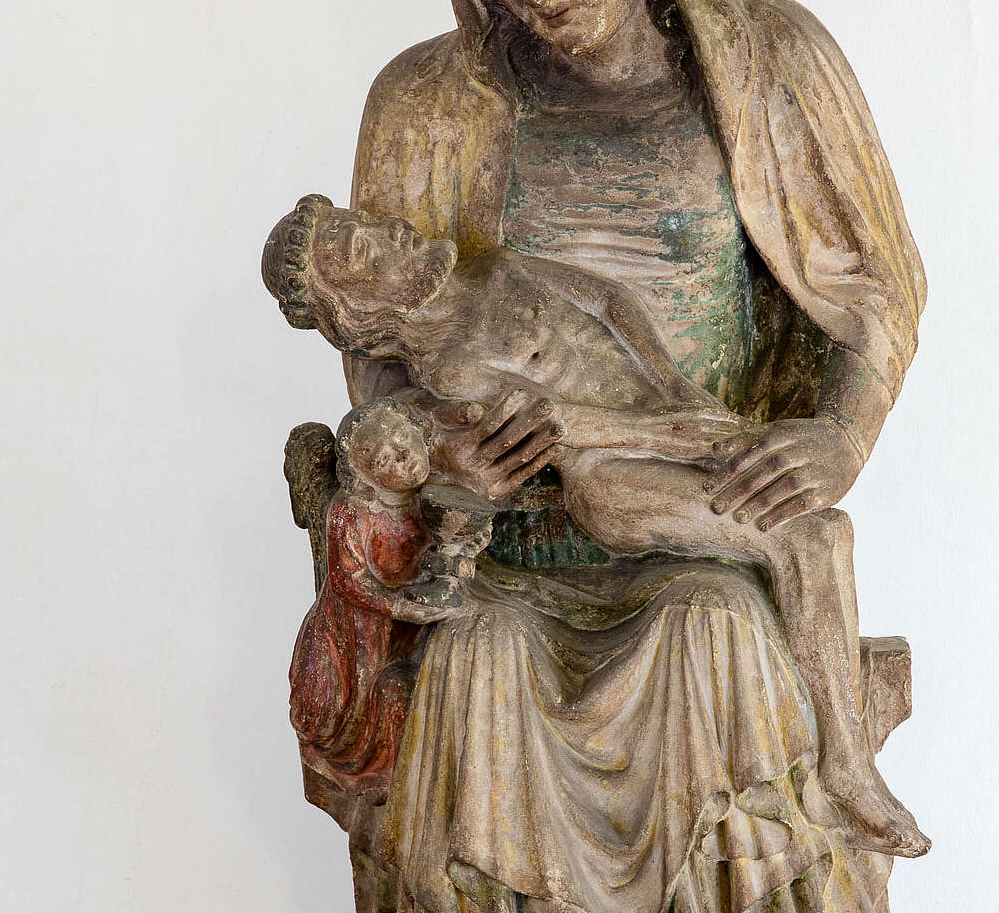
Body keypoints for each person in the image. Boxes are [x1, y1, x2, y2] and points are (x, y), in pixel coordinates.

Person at [334, 0, 944, 913]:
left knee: (712, 632)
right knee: (484, 660)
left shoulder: (769, 63)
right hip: (516, 536)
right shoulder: (430, 103)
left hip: (703, 513)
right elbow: (377, 356)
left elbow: (875, 295)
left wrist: (835, 438)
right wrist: (444, 461)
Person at [264, 194, 929, 856]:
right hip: (615, 478)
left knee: (822, 533)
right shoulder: (449, 371)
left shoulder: (494, 268)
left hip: (667, 418)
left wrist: (675, 391)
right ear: (357, 310)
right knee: (814, 536)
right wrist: (681, 435)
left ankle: (843, 761)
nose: (388, 230)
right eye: (362, 250)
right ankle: (845, 769)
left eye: (366, 224)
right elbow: (557, 429)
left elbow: (607, 302)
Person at [288, 400, 462, 802]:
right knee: (340, 706)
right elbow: (348, 582)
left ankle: (394, 769)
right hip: (352, 631)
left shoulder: (437, 499)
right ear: (365, 476)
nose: (403, 458)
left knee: (399, 694)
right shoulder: (351, 513)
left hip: (404, 627)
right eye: (385, 459)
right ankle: (368, 771)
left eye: (403, 440)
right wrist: (403, 607)